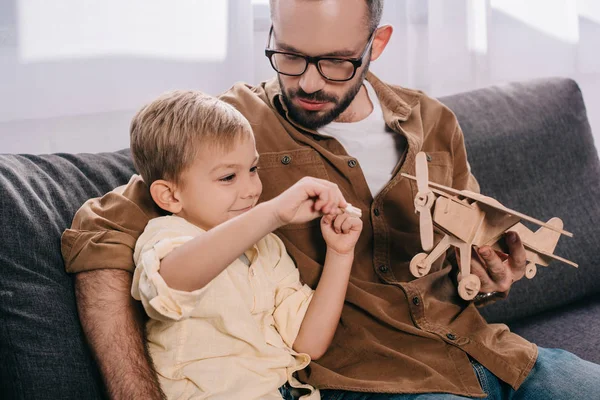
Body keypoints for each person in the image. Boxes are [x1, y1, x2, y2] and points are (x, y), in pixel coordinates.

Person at [61, 0, 600, 399]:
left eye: (338, 62)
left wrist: (487, 278)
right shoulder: (230, 133)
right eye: (291, 57)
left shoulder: (433, 122)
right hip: (376, 380)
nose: (309, 82)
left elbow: (470, 252)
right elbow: (98, 236)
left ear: (377, 44)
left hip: (495, 355)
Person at [127, 90, 362, 399]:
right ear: (170, 196)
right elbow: (170, 285)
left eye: (253, 169)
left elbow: (309, 343)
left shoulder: (268, 247)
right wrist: (273, 212)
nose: (252, 189)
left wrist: (340, 253)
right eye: (228, 177)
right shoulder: (167, 235)